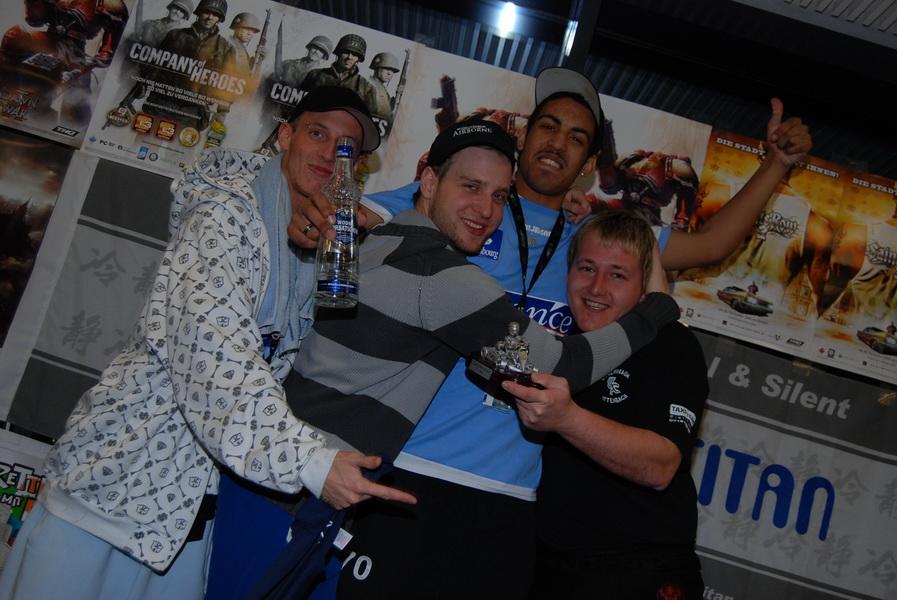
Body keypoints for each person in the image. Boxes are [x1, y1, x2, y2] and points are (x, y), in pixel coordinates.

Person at [292, 67, 811, 596]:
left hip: (513, 499)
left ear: (588, 166)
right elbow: (339, 212)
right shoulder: (469, 204)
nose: (558, 143)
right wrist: (309, 219)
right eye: (548, 126)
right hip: (413, 466)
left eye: (577, 138)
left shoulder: (594, 241)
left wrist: (776, 163)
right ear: (523, 137)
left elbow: (713, 244)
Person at [206, 117, 680, 599]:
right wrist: (657, 311)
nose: (486, 210)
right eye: (470, 187)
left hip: (285, 479)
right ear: (430, 183)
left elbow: (462, 353)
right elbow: (562, 365)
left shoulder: (384, 239)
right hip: (294, 495)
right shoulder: (439, 275)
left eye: (499, 196)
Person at [0, 86, 414, 600]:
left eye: (346, 148)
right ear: (285, 136)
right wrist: (308, 461)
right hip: (109, 498)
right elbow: (212, 356)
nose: (331, 154)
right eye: (317, 133)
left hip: (190, 521)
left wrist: (371, 220)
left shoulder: (323, 245)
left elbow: (427, 211)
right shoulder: (223, 216)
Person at [503, 210, 709, 599]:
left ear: (643, 289)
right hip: (549, 566)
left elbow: (661, 465)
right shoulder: (555, 345)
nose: (596, 288)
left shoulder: (671, 344)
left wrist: (567, 419)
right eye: (586, 268)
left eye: (618, 275)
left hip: (640, 569)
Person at [300, 33, 374, 106]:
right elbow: (299, 101)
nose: (349, 57)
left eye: (354, 54)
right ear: (338, 53)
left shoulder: (365, 86)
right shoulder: (315, 75)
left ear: (359, 59)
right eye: (346, 52)